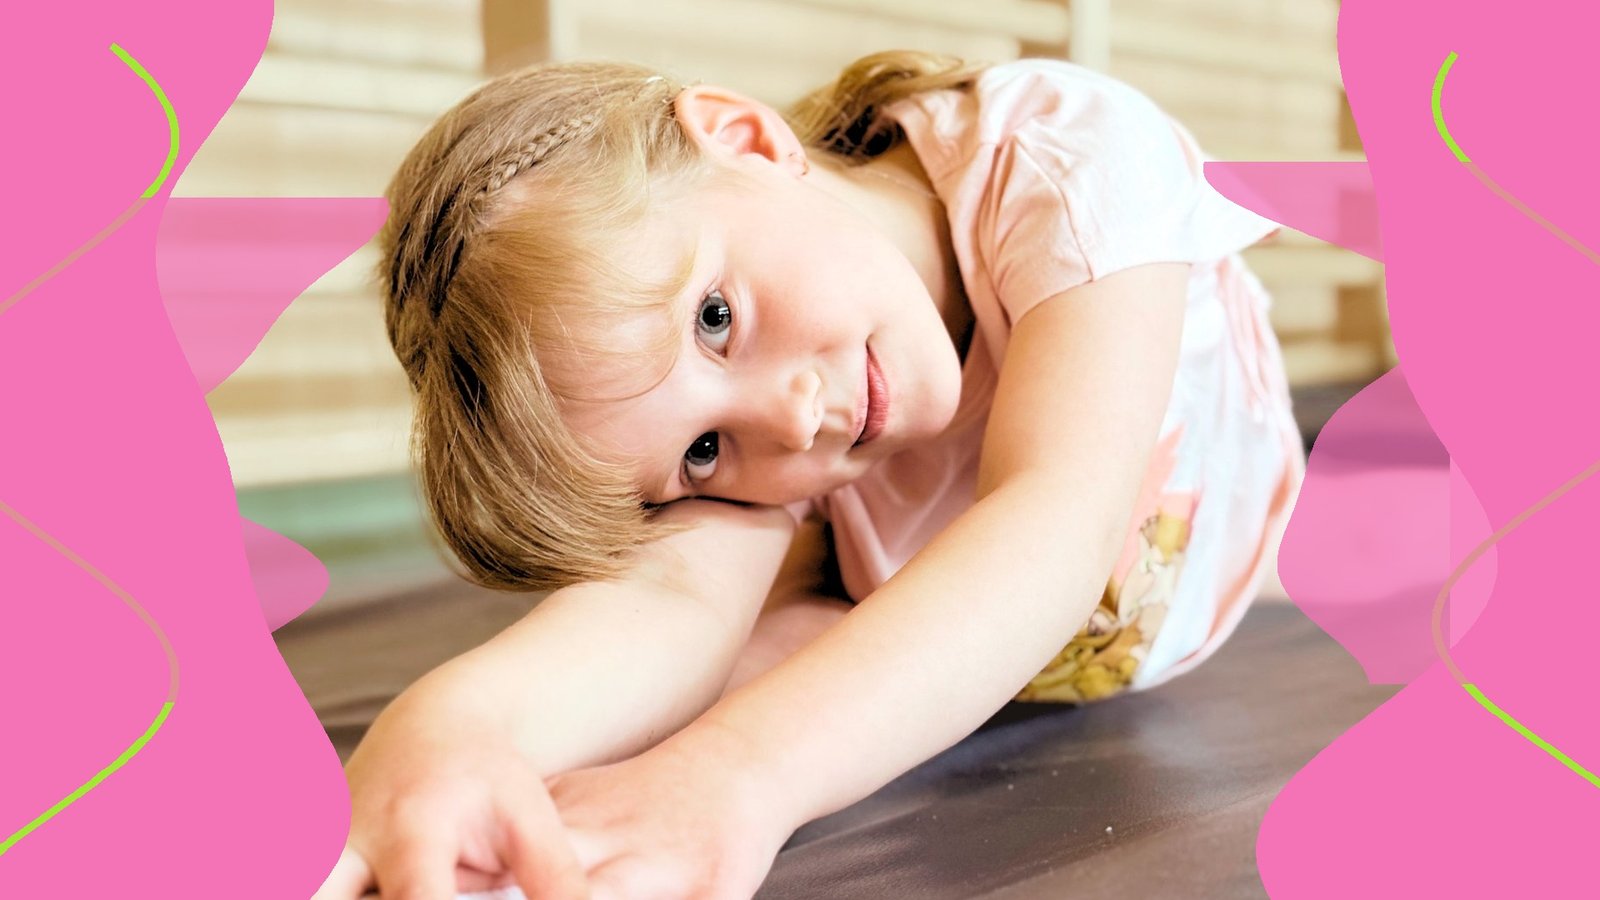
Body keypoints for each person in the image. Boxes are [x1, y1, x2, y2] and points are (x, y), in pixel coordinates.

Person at [314, 50, 1305, 900]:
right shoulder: (794, 445)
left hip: (1219, 516)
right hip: (969, 603)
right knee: (710, 676)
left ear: (745, 140)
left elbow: (1057, 518)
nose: (788, 420)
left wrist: (738, 778)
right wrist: (446, 726)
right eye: (702, 451)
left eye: (714, 320)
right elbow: (669, 602)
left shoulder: (1063, 155)